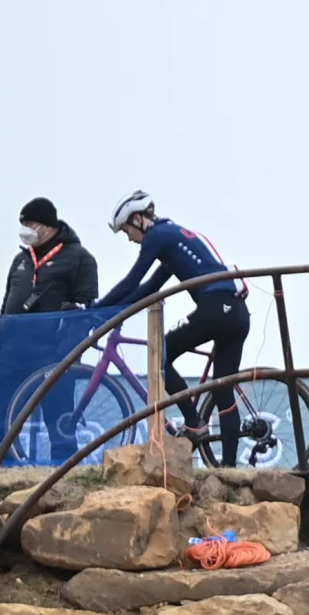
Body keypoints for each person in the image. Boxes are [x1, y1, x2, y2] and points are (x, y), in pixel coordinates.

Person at [96, 193, 249, 462]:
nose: (130, 238)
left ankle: (193, 421)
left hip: (215, 308)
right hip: (236, 312)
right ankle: (229, 468)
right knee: (222, 388)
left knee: (162, 354)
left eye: (127, 231)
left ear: (138, 219)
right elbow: (148, 290)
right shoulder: (172, 236)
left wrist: (95, 310)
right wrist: (111, 311)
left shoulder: (157, 237)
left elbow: (131, 282)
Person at [0, 198, 103, 464]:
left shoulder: (80, 259)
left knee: (60, 424)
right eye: (23, 224)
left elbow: (86, 311)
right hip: (13, 355)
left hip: (55, 357)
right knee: (2, 426)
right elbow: (6, 304)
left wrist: (65, 352)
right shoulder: (20, 259)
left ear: (47, 226)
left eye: (30, 223)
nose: (25, 229)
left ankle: (62, 473)